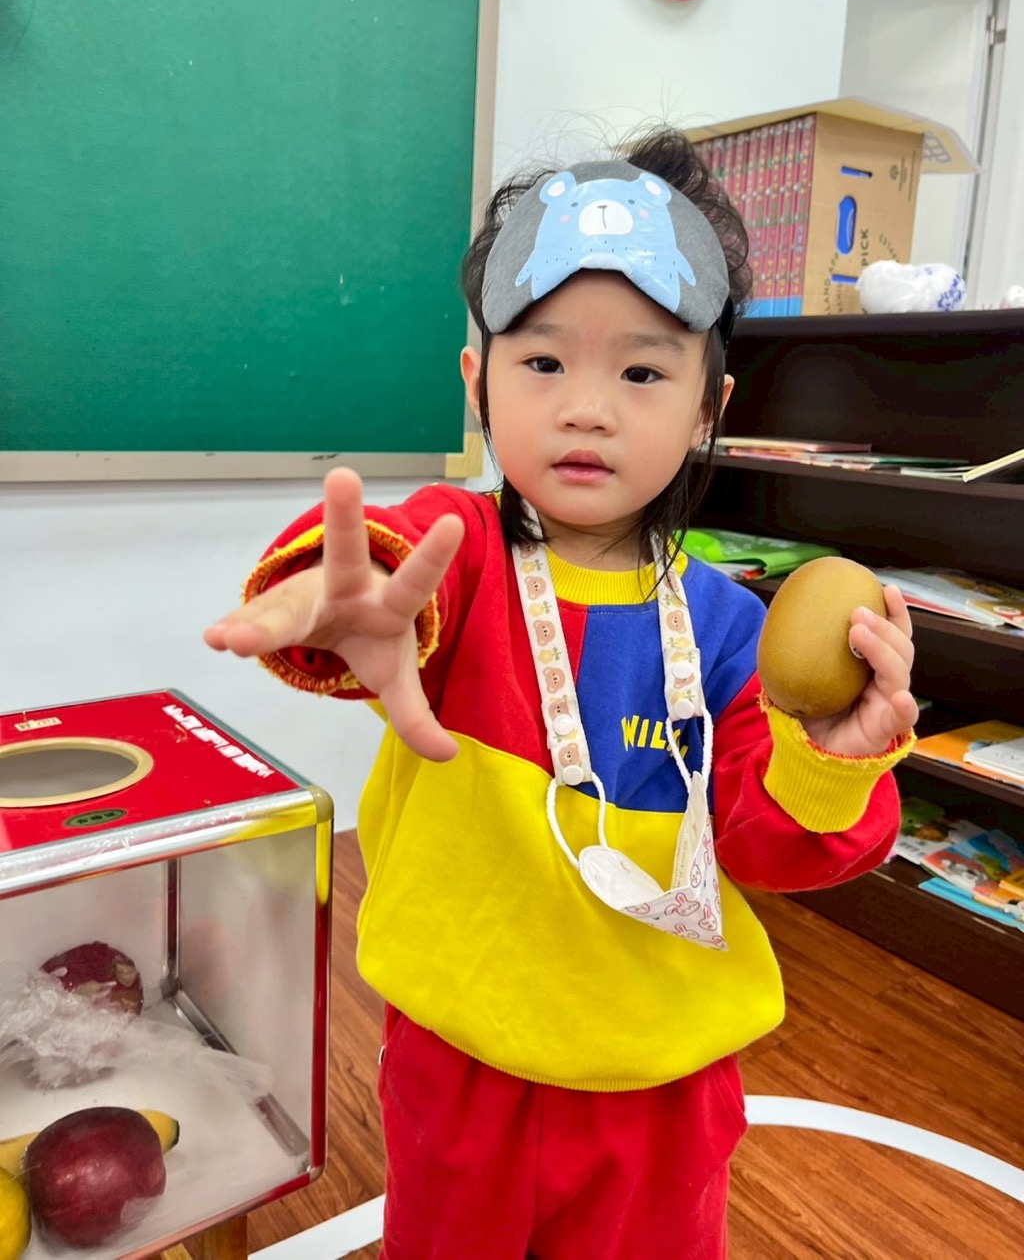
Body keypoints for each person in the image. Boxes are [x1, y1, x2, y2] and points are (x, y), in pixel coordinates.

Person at [205, 128, 919, 1259]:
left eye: (641, 372)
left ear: (708, 407)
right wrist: (349, 602)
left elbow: (769, 847)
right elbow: (392, 557)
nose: (587, 408)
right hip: (462, 1064)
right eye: (543, 363)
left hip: (660, 1082)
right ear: (477, 382)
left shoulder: (732, 636)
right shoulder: (460, 552)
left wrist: (830, 752)